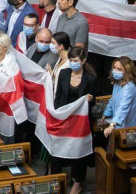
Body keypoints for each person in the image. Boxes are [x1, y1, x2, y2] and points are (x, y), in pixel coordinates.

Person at [50, 46, 99, 194]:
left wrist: (89, 99)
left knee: (79, 151)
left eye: (75, 61)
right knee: (57, 147)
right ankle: (55, 178)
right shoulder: (64, 73)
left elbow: (93, 101)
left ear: (83, 61)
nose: (72, 63)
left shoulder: (91, 78)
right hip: (64, 117)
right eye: (71, 60)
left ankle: (78, 182)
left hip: (80, 121)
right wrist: (57, 114)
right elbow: (58, 96)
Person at [101, 56, 136, 136]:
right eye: (114, 68)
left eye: (119, 69)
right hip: (118, 124)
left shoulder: (129, 87)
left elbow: (123, 107)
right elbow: (113, 100)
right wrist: (105, 114)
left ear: (127, 71)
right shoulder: (117, 83)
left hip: (128, 128)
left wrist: (112, 124)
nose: (115, 71)